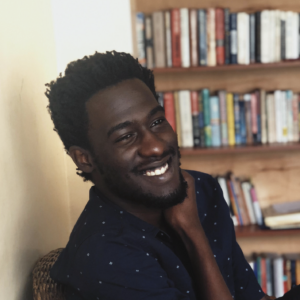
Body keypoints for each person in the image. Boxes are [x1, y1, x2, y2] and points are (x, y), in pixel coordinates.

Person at [46, 51, 279, 300]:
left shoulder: (201, 189)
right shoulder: (106, 254)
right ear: (85, 159)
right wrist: (193, 234)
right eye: (126, 136)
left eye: (157, 122)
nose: (155, 146)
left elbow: (251, 296)